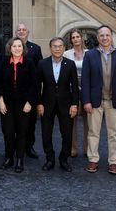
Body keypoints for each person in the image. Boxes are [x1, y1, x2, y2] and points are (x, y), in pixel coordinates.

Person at [81, 25, 116, 175]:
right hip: (95, 101)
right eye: (101, 35)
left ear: (111, 36)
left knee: (114, 133)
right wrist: (86, 101)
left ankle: (113, 162)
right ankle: (93, 159)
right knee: (93, 132)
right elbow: (85, 80)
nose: (104, 38)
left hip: (114, 101)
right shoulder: (90, 55)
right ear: (97, 37)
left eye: (107, 35)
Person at [37, 37, 79, 172]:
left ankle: (63, 159)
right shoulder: (42, 64)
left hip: (66, 104)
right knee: (46, 133)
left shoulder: (70, 64)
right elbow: (37, 86)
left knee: (67, 133)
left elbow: (75, 86)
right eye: (54, 46)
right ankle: (49, 159)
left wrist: (74, 104)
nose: (57, 48)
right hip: (46, 103)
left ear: (64, 48)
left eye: (60, 46)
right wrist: (39, 103)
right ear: (50, 48)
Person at [0, 37, 39, 173]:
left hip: (24, 104)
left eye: (19, 46)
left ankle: (20, 159)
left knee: (22, 132)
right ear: (10, 48)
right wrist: (1, 100)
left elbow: (35, 85)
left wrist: (30, 102)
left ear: (23, 48)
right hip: (7, 103)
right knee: (8, 132)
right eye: (14, 46)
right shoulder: (4, 62)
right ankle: (9, 158)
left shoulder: (29, 63)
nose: (17, 48)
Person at [15, 22, 42, 159]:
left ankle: (29, 146)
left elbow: (40, 71)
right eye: (19, 30)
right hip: (14, 92)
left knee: (31, 122)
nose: (21, 31)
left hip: (30, 92)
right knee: (15, 122)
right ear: (16, 32)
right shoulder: (10, 47)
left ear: (28, 32)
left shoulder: (36, 49)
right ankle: (16, 146)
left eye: (23, 29)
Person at [63, 28, 89, 157]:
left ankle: (87, 149)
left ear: (81, 38)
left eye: (77, 37)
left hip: (86, 90)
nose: (75, 39)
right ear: (71, 40)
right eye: (73, 37)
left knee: (88, 121)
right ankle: (73, 149)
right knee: (71, 121)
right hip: (71, 91)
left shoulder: (90, 53)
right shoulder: (66, 54)